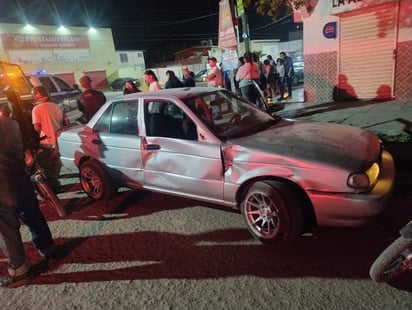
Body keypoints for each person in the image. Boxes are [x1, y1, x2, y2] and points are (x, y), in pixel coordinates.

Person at [0, 101, 56, 288]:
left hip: (2, 186)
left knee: (6, 228)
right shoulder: (11, 123)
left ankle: (19, 269)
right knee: (33, 215)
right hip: (20, 178)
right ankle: (48, 249)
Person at [31, 85, 64, 191]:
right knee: (56, 161)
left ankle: (52, 184)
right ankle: (56, 180)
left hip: (47, 140)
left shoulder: (36, 109)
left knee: (43, 162)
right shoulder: (56, 105)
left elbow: (37, 127)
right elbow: (63, 121)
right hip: (59, 139)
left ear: (37, 95)